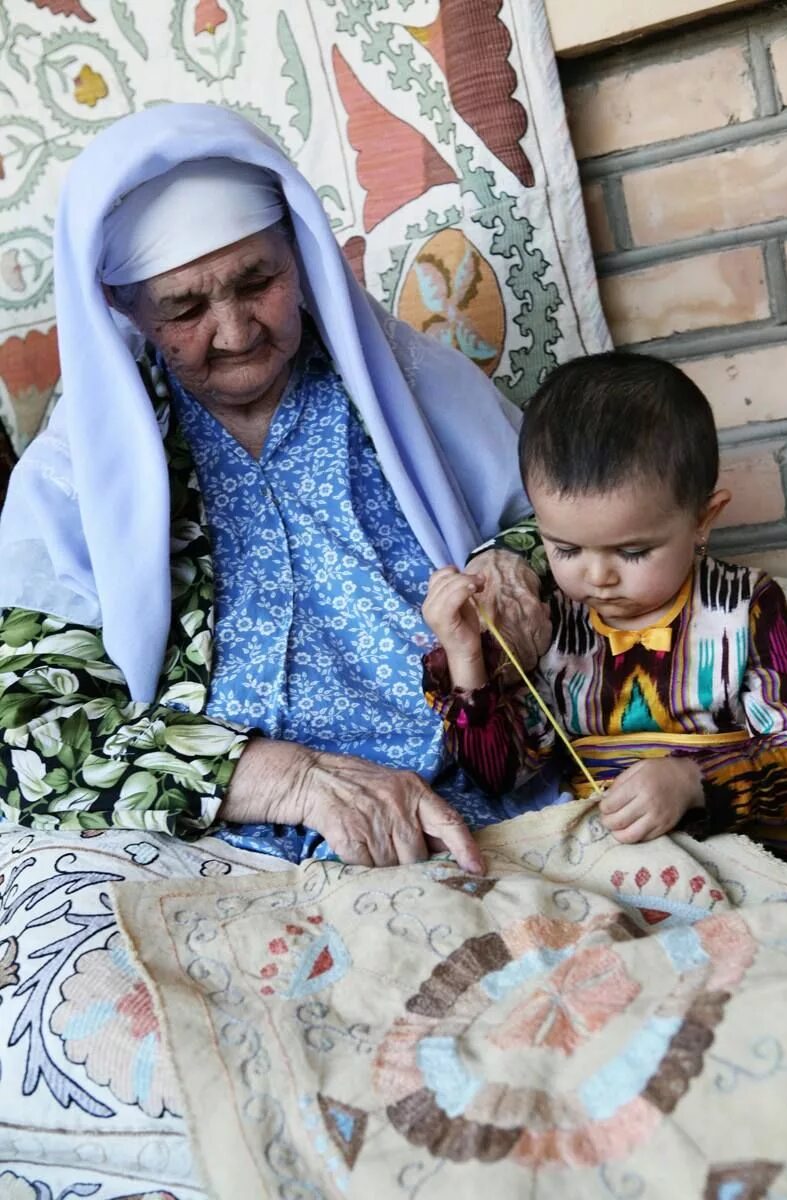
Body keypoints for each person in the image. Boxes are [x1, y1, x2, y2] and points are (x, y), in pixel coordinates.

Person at [0, 103, 554, 871]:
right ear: (122, 308)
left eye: (257, 281)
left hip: (475, 795)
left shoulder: (408, 384)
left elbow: (565, 521)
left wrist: (516, 565)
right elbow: (26, 731)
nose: (235, 332)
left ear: (300, 253)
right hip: (216, 845)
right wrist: (281, 779)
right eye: (185, 308)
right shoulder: (74, 476)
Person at [422, 352, 787, 862]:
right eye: (566, 550)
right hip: (610, 862)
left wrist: (693, 783)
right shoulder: (555, 624)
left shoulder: (746, 607)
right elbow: (501, 779)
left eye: (633, 552)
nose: (597, 577)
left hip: (745, 848)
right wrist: (468, 660)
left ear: (703, 520)